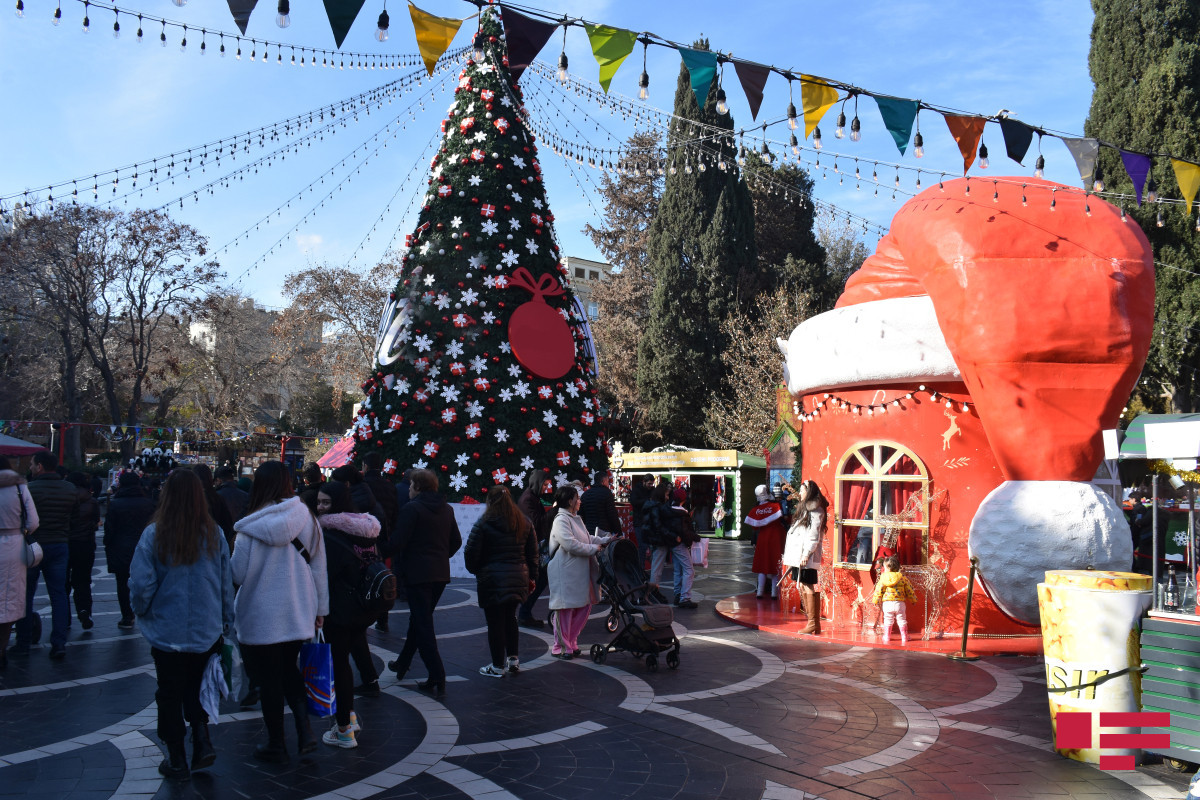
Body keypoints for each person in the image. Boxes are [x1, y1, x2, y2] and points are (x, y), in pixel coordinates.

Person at [129, 469, 234, 781]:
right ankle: (201, 741)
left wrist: (141, 611)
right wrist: (226, 620)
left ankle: (176, 757)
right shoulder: (213, 533)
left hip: (167, 630)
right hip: (207, 627)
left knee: (170, 691)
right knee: (197, 687)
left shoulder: (154, 534)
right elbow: (225, 582)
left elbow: (141, 585)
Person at [231, 461, 328, 763]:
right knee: (289, 670)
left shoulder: (250, 526)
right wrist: (321, 608)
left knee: (269, 679)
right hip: (299, 608)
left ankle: (276, 741)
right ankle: (305, 731)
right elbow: (319, 567)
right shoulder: (307, 517)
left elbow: (237, 574)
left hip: (260, 615)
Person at [315, 480, 381, 749]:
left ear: (338, 503)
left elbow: (324, 576)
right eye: (318, 502)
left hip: (338, 610)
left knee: (340, 666)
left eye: (326, 502)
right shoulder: (366, 532)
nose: (320, 507)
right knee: (343, 664)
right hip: (362, 608)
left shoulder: (329, 534)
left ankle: (343, 730)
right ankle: (349, 717)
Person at [387, 469, 461, 696]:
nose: (408, 490)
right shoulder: (447, 509)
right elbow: (456, 541)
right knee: (420, 619)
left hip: (417, 575)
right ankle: (403, 661)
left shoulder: (412, 509)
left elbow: (398, 542)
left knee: (423, 624)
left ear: (418, 487)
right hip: (439, 574)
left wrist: (378, 551)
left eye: (410, 486)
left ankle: (437, 672)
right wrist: (439, 557)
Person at [464, 486, 538, 677]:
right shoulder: (525, 522)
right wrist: (532, 577)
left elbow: (471, 554)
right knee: (511, 618)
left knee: (495, 623)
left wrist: (479, 571)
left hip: (492, 580)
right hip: (518, 578)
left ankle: (497, 666)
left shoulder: (484, 523)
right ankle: (513, 659)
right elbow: (533, 554)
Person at [13, 451, 79, 659]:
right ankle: (59, 642)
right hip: (60, 544)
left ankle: (23, 641)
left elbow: (21, 519)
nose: (30, 467)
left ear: (40, 466)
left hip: (33, 545)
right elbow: (74, 518)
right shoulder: (70, 489)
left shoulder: (29, 490)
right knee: (59, 594)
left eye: (32, 464)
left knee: (26, 594)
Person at [546, 484, 611, 659]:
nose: (580, 501)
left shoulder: (576, 518)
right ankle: (560, 646)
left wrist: (604, 540)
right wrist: (594, 548)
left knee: (584, 606)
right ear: (570, 501)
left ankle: (571, 642)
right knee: (565, 609)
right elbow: (570, 544)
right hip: (565, 573)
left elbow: (587, 538)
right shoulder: (561, 520)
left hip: (580, 572)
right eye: (578, 498)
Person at [105, 471, 157, 630]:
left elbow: (109, 530)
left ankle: (127, 616)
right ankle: (148, 611)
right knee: (149, 580)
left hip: (121, 548)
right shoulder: (148, 503)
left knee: (122, 583)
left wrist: (109, 544)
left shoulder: (115, 504)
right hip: (145, 548)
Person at [0, 457, 38, 668]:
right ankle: (2, 648)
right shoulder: (19, 488)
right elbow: (33, 522)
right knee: (9, 601)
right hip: (13, 547)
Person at [781, 480, 829, 635]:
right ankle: (814, 624)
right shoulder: (805, 509)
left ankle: (812, 623)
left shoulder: (815, 510)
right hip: (799, 555)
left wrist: (806, 554)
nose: (799, 493)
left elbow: (813, 535)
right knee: (803, 585)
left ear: (809, 492)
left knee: (807, 585)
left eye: (802, 491)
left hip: (805, 555)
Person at [360, 452, 399, 635]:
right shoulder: (389, 486)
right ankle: (383, 619)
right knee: (382, 575)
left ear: (365, 466)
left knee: (363, 576)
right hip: (384, 538)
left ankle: (364, 614)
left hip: (364, 538)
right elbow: (395, 513)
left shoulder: (362, 486)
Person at [516, 469, 552, 629]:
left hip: (535, 545)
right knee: (538, 579)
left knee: (539, 579)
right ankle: (524, 613)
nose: (546, 488)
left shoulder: (532, 498)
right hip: (531, 546)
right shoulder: (528, 500)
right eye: (544, 484)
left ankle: (525, 612)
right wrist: (554, 511)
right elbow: (536, 522)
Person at [65, 472, 100, 631]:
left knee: (62, 582)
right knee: (83, 581)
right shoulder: (92, 501)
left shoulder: (64, 499)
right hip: (85, 544)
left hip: (65, 542)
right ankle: (84, 610)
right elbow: (96, 521)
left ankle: (63, 616)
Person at [745, 485, 787, 601]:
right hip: (776, 537)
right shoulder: (775, 506)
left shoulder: (756, 509)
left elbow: (754, 527)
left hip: (763, 538)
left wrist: (753, 540)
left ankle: (760, 592)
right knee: (775, 565)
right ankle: (774, 593)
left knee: (762, 567)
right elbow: (783, 519)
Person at [871, 555, 917, 644]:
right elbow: (909, 590)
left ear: (886, 568)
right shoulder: (903, 578)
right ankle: (904, 637)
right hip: (899, 603)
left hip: (887, 604)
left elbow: (878, 590)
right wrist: (913, 600)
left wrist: (875, 600)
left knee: (888, 620)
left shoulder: (883, 578)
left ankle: (887, 637)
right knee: (902, 619)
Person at [666, 487, 699, 609]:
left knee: (678, 570)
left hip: (672, 543)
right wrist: (695, 537)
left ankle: (678, 594)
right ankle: (685, 598)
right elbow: (685, 531)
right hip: (680, 545)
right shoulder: (682, 513)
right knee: (689, 570)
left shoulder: (669, 511)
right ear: (683, 500)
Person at [191, 464, 235, 551]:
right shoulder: (217, 498)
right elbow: (227, 524)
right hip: (215, 545)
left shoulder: (191, 498)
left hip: (193, 545)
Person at [642, 483, 674, 588]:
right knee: (657, 567)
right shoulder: (657, 507)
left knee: (655, 565)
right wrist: (670, 534)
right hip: (659, 540)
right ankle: (652, 590)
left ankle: (653, 589)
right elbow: (658, 525)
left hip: (652, 539)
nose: (667, 497)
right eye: (666, 495)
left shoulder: (650, 505)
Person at [579, 471, 622, 539]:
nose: (608, 484)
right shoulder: (607, 493)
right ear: (604, 481)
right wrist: (619, 533)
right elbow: (612, 515)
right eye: (608, 481)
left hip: (588, 531)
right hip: (603, 531)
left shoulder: (585, 494)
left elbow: (580, 515)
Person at [629, 474, 656, 569]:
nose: (650, 486)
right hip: (640, 522)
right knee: (642, 546)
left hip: (649, 522)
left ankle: (651, 568)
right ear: (644, 482)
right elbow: (634, 502)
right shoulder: (636, 490)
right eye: (649, 484)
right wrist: (648, 501)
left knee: (651, 546)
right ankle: (641, 568)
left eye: (652, 484)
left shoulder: (652, 490)